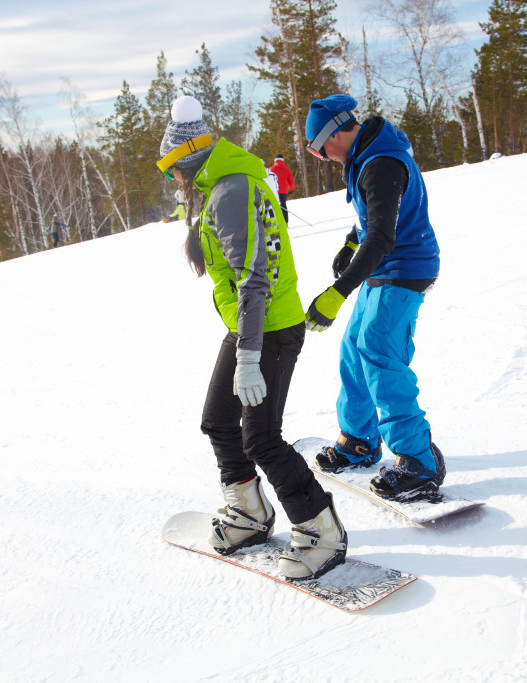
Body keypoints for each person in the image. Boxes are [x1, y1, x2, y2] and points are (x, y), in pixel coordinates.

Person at [156, 95, 347, 580]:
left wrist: (248, 356)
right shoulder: (217, 185)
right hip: (247, 327)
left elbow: (253, 278)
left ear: (189, 157)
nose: (171, 179)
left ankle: (321, 530)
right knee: (218, 422)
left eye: (171, 169)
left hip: (270, 329)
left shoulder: (232, 189)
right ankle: (251, 513)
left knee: (261, 439)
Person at [302, 93, 446, 501]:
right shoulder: (369, 155)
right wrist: (351, 242)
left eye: (317, 148)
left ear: (333, 135)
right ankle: (360, 439)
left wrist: (338, 292)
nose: (321, 157)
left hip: (405, 268)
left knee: (379, 351)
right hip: (386, 266)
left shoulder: (380, 163)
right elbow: (373, 218)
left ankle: (419, 459)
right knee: (354, 347)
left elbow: (384, 234)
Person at [268, 154, 295, 224]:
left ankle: (276, 222)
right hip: (284, 191)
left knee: (274, 206)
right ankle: (285, 222)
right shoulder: (286, 169)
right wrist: (292, 189)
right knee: (283, 205)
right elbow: (291, 180)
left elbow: (269, 180)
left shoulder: (271, 169)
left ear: (275, 160)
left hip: (275, 190)